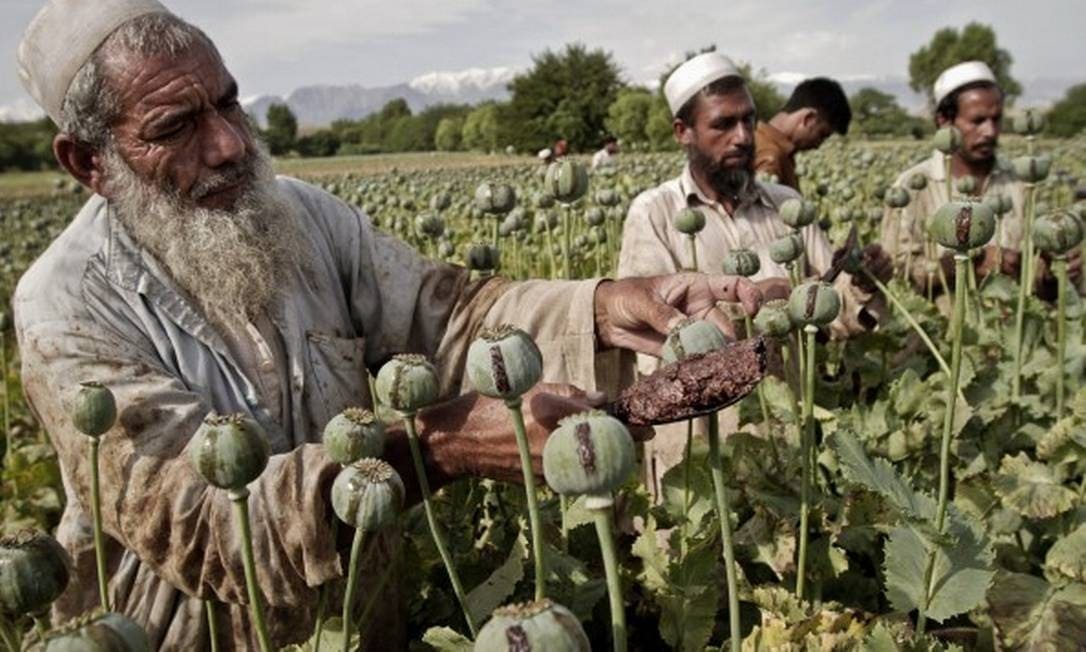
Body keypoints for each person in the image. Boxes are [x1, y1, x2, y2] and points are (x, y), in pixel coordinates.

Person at [12, 2, 763, 649]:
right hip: (194, 634)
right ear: (90, 162)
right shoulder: (66, 308)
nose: (231, 144)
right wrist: (439, 448)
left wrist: (604, 304)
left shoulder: (301, 217)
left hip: (366, 616)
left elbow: (450, 313)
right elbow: (206, 527)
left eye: (229, 104)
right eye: (176, 126)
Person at [616, 52, 889, 497]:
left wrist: (860, 281)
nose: (743, 137)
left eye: (749, 120)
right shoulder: (654, 213)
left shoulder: (787, 206)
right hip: (698, 456)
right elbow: (648, 334)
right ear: (683, 132)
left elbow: (833, 312)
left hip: (782, 445)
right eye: (723, 124)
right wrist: (754, 301)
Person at [880, 61, 1079, 295]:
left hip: (1012, 325)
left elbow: (1038, 277)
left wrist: (1054, 274)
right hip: (939, 329)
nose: (990, 131)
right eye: (978, 120)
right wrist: (970, 261)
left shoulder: (1023, 182)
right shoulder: (912, 186)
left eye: (996, 119)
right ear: (944, 121)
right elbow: (897, 275)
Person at [755, 77, 852, 191]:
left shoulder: (758, 141)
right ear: (808, 119)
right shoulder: (770, 159)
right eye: (822, 135)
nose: (817, 146)